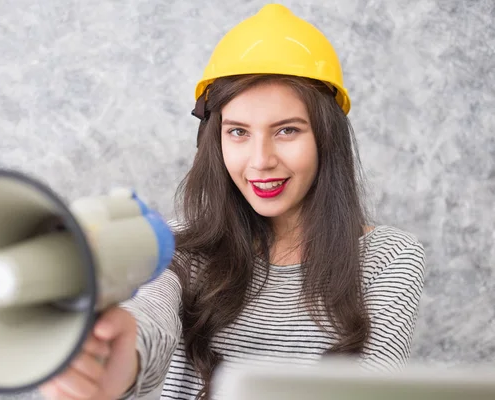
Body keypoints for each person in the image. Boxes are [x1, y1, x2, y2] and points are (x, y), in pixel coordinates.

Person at [39, 3, 426, 400]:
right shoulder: (176, 246)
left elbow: (375, 387)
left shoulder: (390, 257)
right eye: (239, 132)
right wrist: (122, 360)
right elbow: (149, 317)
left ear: (327, 139)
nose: (260, 160)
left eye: (287, 130)